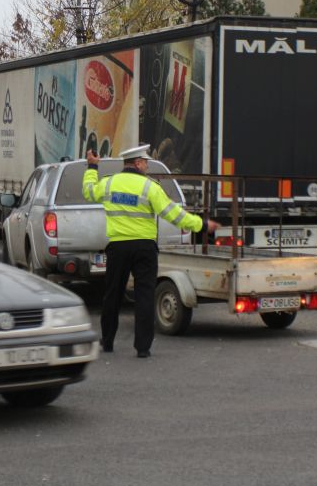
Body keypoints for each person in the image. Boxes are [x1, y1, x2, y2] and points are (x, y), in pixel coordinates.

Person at [83, 144, 218, 358]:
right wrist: (201, 225)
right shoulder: (150, 187)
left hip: (118, 247)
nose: (147, 166)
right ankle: (143, 348)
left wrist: (92, 167)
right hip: (144, 248)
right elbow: (173, 214)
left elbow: (89, 192)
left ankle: (107, 341)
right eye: (145, 162)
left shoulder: (109, 183)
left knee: (112, 295)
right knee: (145, 296)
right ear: (137, 163)